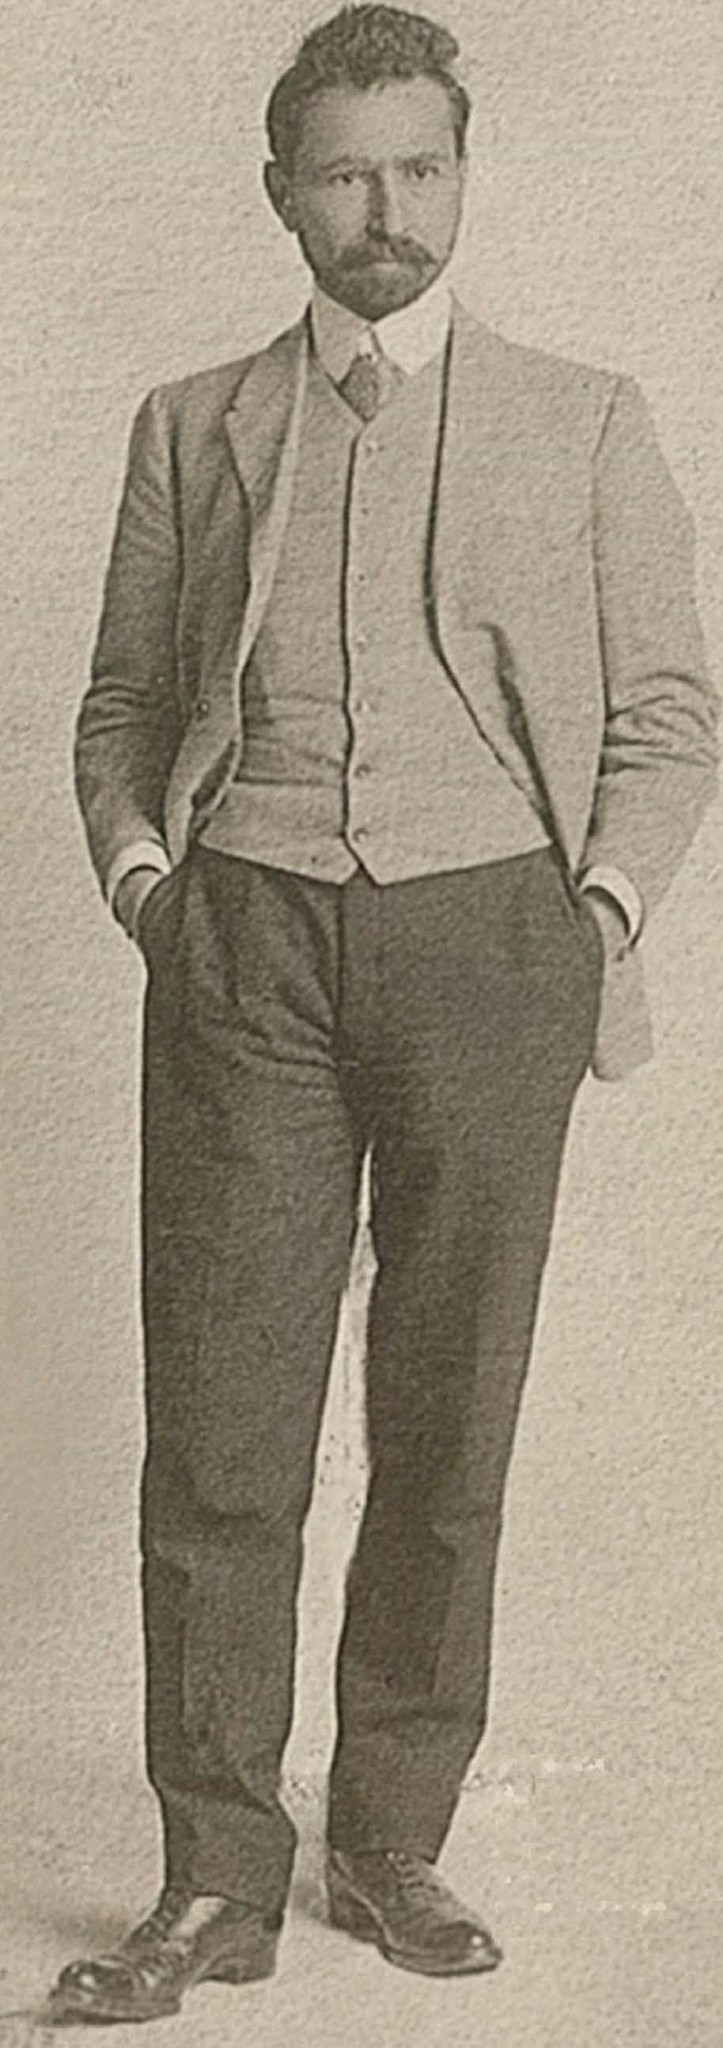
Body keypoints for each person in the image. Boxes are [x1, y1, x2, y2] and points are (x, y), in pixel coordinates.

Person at [48, 3, 717, 2025]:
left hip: (490, 947)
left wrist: (591, 911)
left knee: (448, 1414)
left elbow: (664, 710)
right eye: (344, 174)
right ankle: (211, 1877)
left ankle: (392, 1834)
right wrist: (151, 886)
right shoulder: (193, 423)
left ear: (462, 175)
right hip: (242, 943)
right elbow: (118, 706)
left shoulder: (582, 417)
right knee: (220, 1426)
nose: (386, 209)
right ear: (281, 194)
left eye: (419, 167)